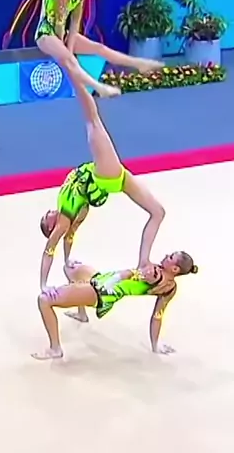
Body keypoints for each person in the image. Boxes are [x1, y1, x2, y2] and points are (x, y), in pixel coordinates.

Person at [39, 78, 166, 292]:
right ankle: (75, 75)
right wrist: (43, 285)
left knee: (158, 212)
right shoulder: (63, 221)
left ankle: (143, 261)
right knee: (92, 119)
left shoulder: (71, 218)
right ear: (51, 228)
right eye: (46, 218)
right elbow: (49, 251)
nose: (48, 213)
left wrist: (68, 260)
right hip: (106, 175)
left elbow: (69, 238)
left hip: (116, 178)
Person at [35, 0, 163, 97]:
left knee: (99, 48)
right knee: (70, 60)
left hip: (61, 33)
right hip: (45, 34)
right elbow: (58, 23)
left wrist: (69, 48)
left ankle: (138, 63)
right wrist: (66, 52)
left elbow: (75, 23)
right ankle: (99, 88)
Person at [32, 252, 198, 360]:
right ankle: (82, 314)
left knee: (44, 300)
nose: (166, 255)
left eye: (170, 257)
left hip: (101, 291)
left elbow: (129, 273)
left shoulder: (154, 273)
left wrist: (114, 279)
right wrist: (155, 345)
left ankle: (55, 349)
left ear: (174, 268)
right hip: (102, 281)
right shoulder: (170, 287)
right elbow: (158, 316)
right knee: (70, 268)